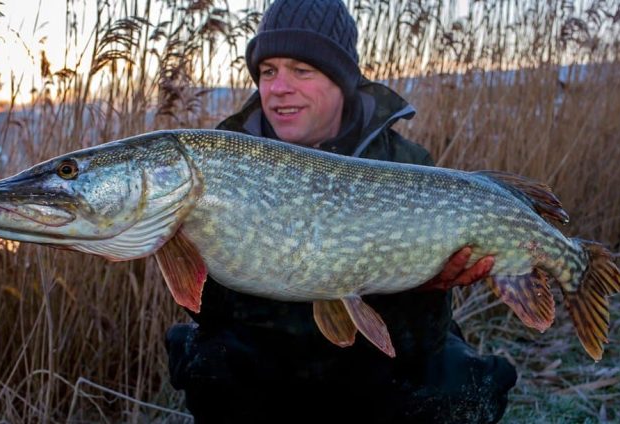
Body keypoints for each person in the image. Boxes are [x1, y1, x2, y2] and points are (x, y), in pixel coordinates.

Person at [165, 1, 517, 423]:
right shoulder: (219, 159)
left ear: (342, 80)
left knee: (454, 386)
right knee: (209, 365)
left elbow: (423, 343)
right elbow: (216, 320)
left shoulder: (404, 163)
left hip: (380, 359)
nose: (277, 88)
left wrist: (426, 289)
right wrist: (182, 250)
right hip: (269, 354)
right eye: (268, 71)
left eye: (301, 70)